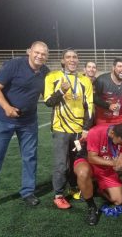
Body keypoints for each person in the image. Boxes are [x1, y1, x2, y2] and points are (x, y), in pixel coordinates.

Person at [0, 41, 49, 215]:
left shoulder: (45, 72)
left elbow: (49, 97)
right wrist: (7, 108)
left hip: (29, 122)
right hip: (3, 120)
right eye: (37, 52)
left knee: (30, 158)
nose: (40, 56)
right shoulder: (14, 65)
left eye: (43, 54)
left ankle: (27, 192)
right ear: (29, 52)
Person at [44, 49, 93, 209]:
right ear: (63, 60)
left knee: (75, 161)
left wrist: (86, 128)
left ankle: (73, 188)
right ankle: (58, 194)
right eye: (68, 57)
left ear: (78, 60)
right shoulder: (52, 77)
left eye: (75, 57)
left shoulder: (85, 80)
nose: (72, 60)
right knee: (61, 163)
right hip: (61, 128)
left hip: (78, 130)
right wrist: (60, 91)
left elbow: (89, 106)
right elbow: (48, 102)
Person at [73, 124, 122, 225]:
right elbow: (92, 158)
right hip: (88, 162)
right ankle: (92, 207)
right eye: (118, 142)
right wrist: (114, 163)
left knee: (119, 200)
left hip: (106, 168)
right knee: (83, 173)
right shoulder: (95, 131)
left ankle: (97, 188)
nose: (120, 144)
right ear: (112, 133)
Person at [93, 57, 122, 126]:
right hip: (103, 118)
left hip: (121, 118)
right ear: (113, 68)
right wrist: (108, 106)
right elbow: (94, 98)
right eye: (119, 66)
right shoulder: (101, 80)